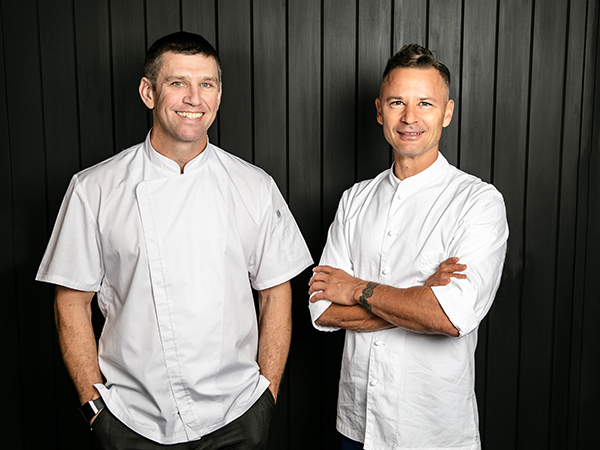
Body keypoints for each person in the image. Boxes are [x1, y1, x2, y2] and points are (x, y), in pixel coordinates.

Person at [36, 31, 312, 450]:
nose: (194, 98)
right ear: (148, 92)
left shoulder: (255, 186)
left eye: (207, 84)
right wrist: (95, 407)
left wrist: (265, 397)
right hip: (131, 420)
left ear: (219, 95)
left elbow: (276, 293)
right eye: (178, 83)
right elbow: (70, 302)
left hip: (236, 415)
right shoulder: (93, 188)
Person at [308, 44, 509, 450]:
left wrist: (357, 289)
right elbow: (324, 308)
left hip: (433, 429)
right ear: (380, 111)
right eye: (397, 102)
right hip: (358, 423)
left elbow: (448, 317)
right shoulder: (355, 199)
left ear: (447, 112)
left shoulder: (478, 201)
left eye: (425, 104)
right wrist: (418, 296)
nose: (410, 118)